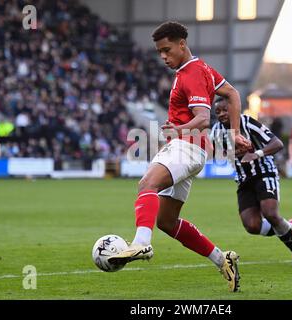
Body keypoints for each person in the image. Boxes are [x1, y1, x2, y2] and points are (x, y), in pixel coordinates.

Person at [108, 21, 252, 292]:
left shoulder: (192, 73)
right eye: (159, 52)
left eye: (167, 49)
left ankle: (140, 244)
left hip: (186, 146)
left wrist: (178, 129)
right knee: (166, 221)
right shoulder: (203, 69)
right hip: (188, 148)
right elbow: (232, 93)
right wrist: (234, 133)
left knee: (146, 184)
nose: (163, 56)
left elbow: (203, 117)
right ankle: (223, 260)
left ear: (182, 44)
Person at [211, 98, 292, 265]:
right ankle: (290, 227)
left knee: (270, 214)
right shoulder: (216, 132)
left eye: (225, 110)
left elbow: (277, 143)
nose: (221, 114)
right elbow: (218, 153)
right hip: (243, 179)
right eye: (218, 112)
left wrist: (256, 154)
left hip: (264, 173)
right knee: (252, 226)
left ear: (234, 109)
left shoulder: (247, 122)